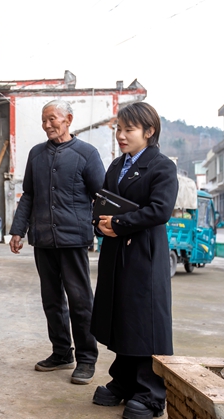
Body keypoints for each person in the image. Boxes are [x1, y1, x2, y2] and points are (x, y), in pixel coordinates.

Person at [91, 102, 177, 419]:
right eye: (119, 129)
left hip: (144, 254)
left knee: (144, 320)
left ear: (149, 131)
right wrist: (99, 223)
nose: (121, 135)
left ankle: (151, 392)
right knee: (121, 316)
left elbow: (160, 210)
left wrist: (119, 223)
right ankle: (124, 381)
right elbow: (103, 201)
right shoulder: (117, 165)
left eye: (129, 129)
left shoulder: (161, 167)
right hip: (117, 253)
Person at [8, 99, 105, 385]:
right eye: (44, 120)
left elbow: (101, 196)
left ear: (68, 120)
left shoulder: (86, 154)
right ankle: (62, 353)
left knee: (80, 301)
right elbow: (28, 195)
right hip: (43, 239)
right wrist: (18, 230)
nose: (47, 124)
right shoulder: (36, 154)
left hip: (73, 239)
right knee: (51, 300)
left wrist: (103, 229)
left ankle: (87, 358)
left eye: (52, 118)